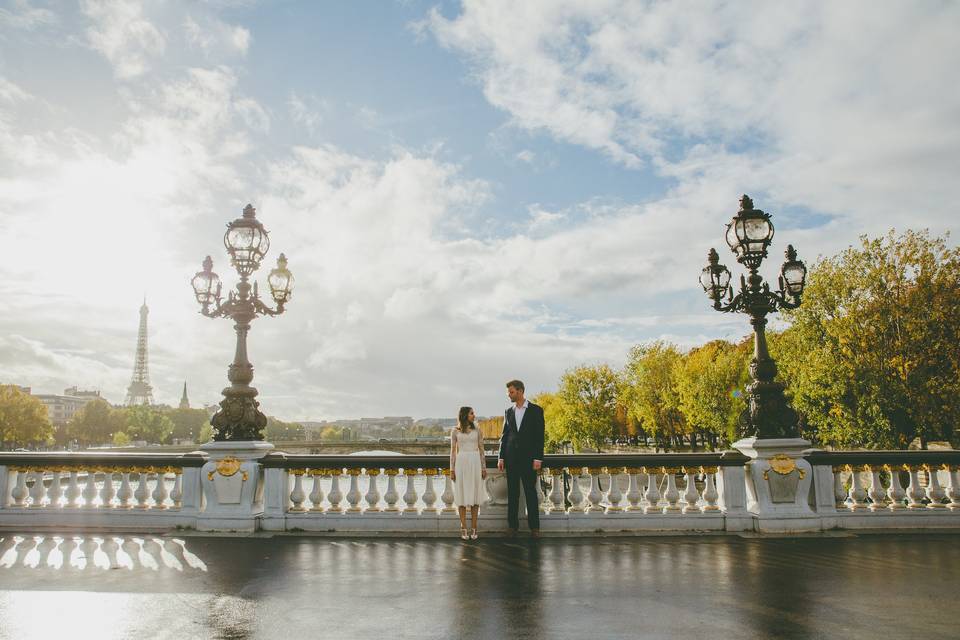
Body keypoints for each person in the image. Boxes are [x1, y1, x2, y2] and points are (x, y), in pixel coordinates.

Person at [497, 379, 545, 538]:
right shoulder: (508, 411)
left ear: (520, 391)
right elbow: (504, 436)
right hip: (511, 459)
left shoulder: (536, 410)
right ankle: (512, 526)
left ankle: (535, 528)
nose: (509, 395)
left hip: (529, 459)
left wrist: (538, 458)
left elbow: (539, 437)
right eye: (508, 392)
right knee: (513, 494)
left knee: (530, 493)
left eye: (511, 392)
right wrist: (501, 457)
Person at [450, 406, 487, 540]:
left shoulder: (477, 429)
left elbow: (482, 449)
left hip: (475, 462)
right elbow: (453, 452)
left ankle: (474, 528)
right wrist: (452, 469)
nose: (474, 415)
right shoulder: (455, 431)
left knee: (475, 497)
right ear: (465, 415)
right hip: (461, 463)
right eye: (472, 413)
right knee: (462, 497)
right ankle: (463, 527)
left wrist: (483, 467)